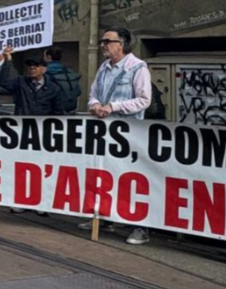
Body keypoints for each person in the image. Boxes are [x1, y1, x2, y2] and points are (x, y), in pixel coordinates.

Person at [86, 27, 153, 245]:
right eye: (102, 41)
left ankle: (140, 227)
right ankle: (104, 217)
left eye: (107, 41)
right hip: (106, 132)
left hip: (130, 134)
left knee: (131, 178)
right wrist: (95, 105)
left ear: (121, 44)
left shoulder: (138, 67)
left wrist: (113, 107)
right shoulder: (104, 68)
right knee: (105, 175)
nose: (103, 44)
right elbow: (93, 93)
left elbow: (144, 100)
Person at [0, 46, 64, 116]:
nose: (32, 67)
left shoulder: (53, 89)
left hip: (41, 125)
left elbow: (57, 113)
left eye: (36, 65)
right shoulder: (20, 83)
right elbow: (4, 82)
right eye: (29, 65)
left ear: (44, 69)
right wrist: (8, 60)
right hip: (22, 125)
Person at [45, 47, 82, 114]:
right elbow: (78, 92)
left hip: (51, 114)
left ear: (49, 57)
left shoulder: (44, 74)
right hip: (70, 113)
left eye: (44, 56)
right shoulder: (70, 73)